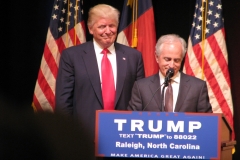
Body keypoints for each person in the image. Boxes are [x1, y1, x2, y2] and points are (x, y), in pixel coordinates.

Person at [55, 4, 145, 160]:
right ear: (90, 29)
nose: (108, 31)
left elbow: (141, 99)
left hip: (123, 138)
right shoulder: (72, 56)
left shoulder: (133, 57)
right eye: (102, 26)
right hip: (84, 138)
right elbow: (64, 101)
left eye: (112, 25)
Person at [128, 34, 212, 113]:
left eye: (177, 60)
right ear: (157, 57)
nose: (172, 65)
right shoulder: (141, 87)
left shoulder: (198, 87)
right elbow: (131, 120)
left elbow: (208, 122)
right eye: (167, 59)